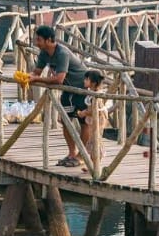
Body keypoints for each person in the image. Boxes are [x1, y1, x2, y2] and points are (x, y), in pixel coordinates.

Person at [27, 25, 88, 167]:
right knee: (65, 120)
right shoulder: (43, 53)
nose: (37, 43)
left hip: (81, 88)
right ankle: (72, 153)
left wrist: (36, 79)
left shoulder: (62, 53)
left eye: (39, 40)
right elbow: (36, 71)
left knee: (84, 122)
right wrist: (26, 77)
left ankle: (81, 156)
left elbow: (59, 79)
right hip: (67, 90)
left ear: (49, 40)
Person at [77, 70, 108, 172]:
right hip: (93, 120)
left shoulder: (96, 95)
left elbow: (94, 111)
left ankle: (95, 166)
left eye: (87, 79)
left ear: (93, 83)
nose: (84, 81)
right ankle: (92, 165)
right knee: (91, 141)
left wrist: (83, 113)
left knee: (95, 141)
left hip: (97, 120)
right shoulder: (92, 93)